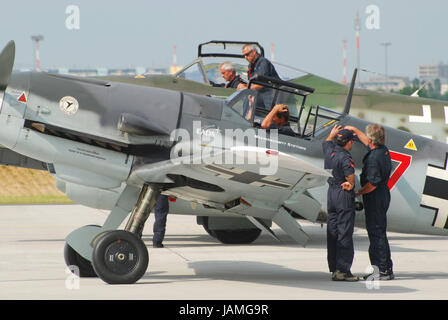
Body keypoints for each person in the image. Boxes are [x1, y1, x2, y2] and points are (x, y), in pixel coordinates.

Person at [345, 124, 394, 280]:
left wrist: (358, 192)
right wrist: (354, 129)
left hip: (375, 197)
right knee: (379, 232)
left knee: (376, 233)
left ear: (372, 139)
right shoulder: (382, 150)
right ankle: (385, 268)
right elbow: (368, 141)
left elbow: (371, 184)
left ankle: (383, 270)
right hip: (383, 195)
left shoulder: (373, 158)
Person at [322, 125, 359, 281]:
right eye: (351, 141)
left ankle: (334, 267)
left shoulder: (329, 151)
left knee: (333, 232)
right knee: (344, 232)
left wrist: (332, 135)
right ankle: (342, 270)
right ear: (348, 143)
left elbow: (327, 141)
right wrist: (350, 185)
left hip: (331, 194)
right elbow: (350, 178)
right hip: (343, 195)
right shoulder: (345, 157)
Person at [238, 44, 280, 110]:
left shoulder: (263, 63)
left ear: (254, 51)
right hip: (259, 96)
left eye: (247, 54)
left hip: (270, 96)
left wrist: (246, 88)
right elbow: (252, 83)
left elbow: (261, 84)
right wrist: (244, 85)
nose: (245, 57)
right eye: (244, 56)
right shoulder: (251, 66)